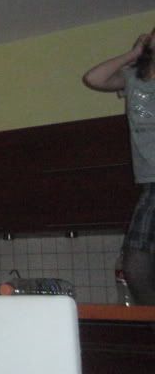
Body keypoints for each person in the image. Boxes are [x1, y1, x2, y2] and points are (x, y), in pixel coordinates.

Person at [83, 28, 155, 304]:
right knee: (135, 261)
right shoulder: (133, 78)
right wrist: (132, 54)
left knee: (137, 259)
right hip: (149, 181)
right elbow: (93, 78)